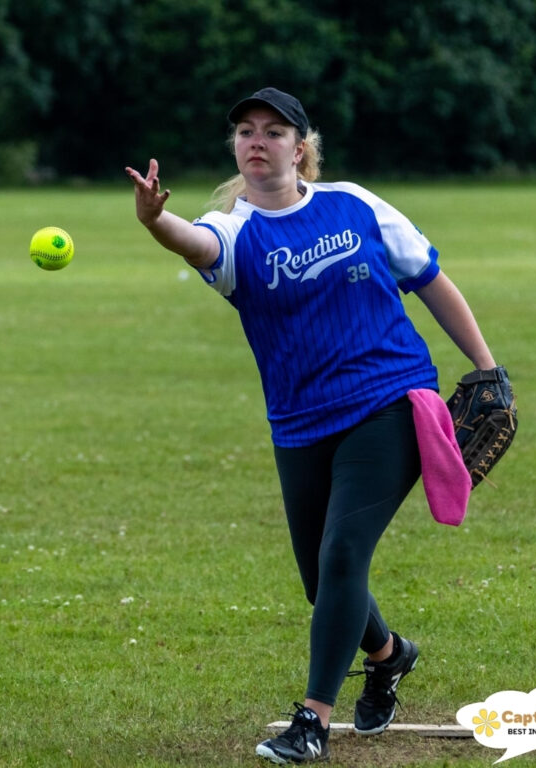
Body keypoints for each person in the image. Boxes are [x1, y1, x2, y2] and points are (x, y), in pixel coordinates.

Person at [126, 87, 498, 765]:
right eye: (245, 131)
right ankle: (389, 656)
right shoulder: (235, 232)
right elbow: (193, 241)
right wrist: (156, 221)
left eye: (274, 130)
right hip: (300, 421)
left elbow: (430, 277)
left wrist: (486, 366)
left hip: (390, 397)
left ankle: (312, 721)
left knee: (342, 555)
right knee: (319, 580)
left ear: (302, 148)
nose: (258, 140)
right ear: (237, 148)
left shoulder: (354, 205)